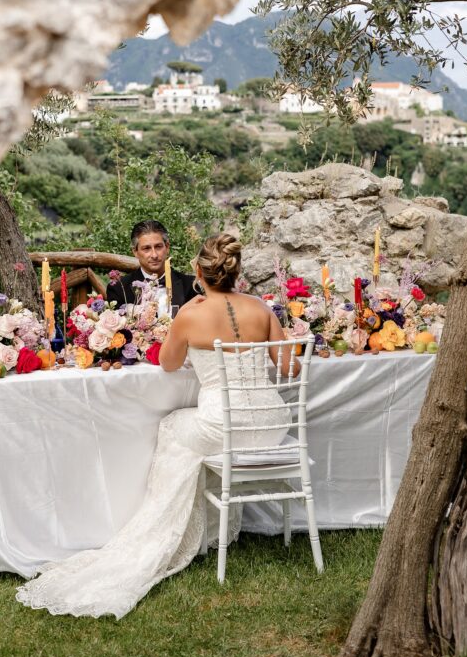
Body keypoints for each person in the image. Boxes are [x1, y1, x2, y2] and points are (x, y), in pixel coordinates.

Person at [16, 233, 295, 619]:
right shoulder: (261, 308)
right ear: (236, 271)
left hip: (223, 425)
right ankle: (209, 530)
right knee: (190, 431)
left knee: (172, 428)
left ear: (198, 272)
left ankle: (169, 533)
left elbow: (167, 364)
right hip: (271, 424)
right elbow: (289, 367)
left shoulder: (191, 313)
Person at [106, 219, 198, 314]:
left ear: (167, 247)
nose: (154, 255)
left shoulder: (190, 285)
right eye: (146, 248)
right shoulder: (119, 289)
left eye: (158, 247)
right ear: (135, 252)